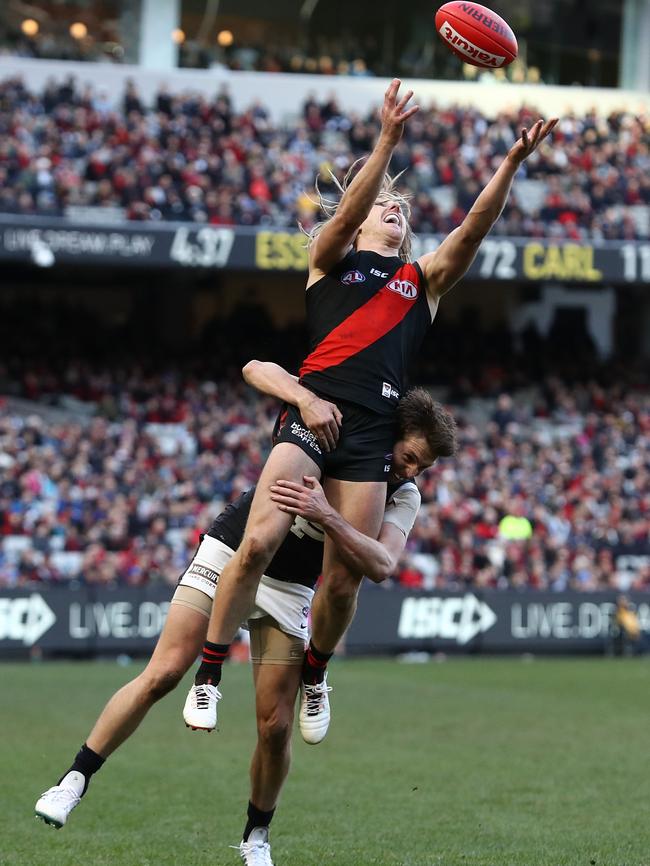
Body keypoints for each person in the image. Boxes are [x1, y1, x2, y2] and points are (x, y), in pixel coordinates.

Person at [186, 79, 558, 735]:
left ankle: (317, 675)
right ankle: (210, 673)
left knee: (344, 580)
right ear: (358, 219)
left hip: (368, 435)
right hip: (311, 416)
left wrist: (510, 165)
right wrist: (387, 139)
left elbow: (472, 230)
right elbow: (346, 209)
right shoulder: (328, 263)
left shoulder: (420, 284)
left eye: (401, 210)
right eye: (382, 205)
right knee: (256, 546)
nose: (393, 211)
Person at [35, 372, 458, 866]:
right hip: (234, 554)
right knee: (163, 674)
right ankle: (73, 781)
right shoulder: (333, 434)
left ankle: (256, 838)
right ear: (390, 434)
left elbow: (382, 563)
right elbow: (257, 369)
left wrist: (328, 516)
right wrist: (304, 397)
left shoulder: (402, 495)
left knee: (275, 726)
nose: (412, 473)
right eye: (410, 458)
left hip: (291, 588)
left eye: (423, 468)